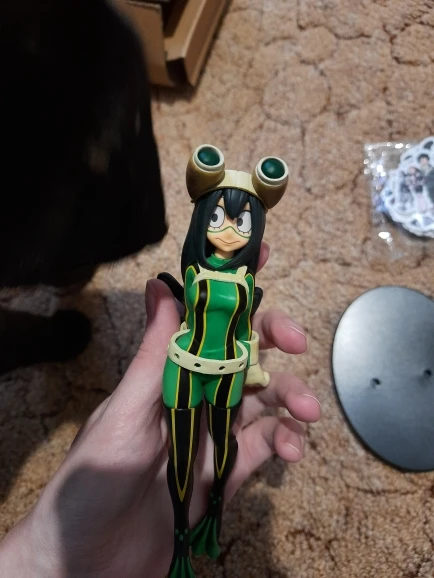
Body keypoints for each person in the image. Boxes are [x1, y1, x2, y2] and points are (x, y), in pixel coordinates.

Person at [0, 249, 321, 578]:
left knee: (224, 443)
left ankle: (211, 515)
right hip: (183, 367)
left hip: (228, 371)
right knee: (182, 456)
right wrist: (44, 558)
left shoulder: (246, 282)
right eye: (216, 222)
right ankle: (180, 543)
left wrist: (250, 364)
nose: (228, 232)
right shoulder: (195, 270)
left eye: (240, 224)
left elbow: (243, 331)